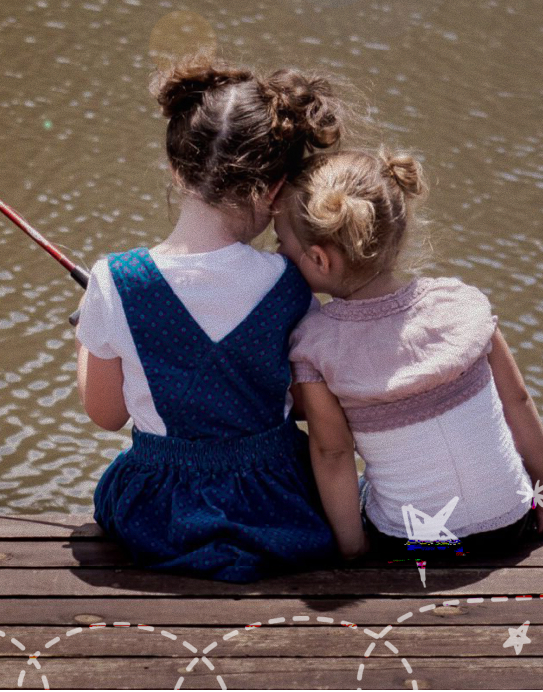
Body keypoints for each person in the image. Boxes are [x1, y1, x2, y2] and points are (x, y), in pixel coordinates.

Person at [74, 54, 353, 583]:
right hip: (277, 505)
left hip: (161, 513)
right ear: (273, 190)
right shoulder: (290, 283)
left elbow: (106, 415)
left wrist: (87, 332)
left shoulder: (115, 279)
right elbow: (300, 400)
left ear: (177, 169)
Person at [274, 149, 543, 559]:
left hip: (412, 542)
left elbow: (333, 453)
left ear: (319, 259)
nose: (277, 255)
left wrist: (352, 546)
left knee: (352, 491)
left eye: (281, 243)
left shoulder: (315, 345)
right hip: (511, 520)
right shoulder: (460, 302)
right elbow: (517, 399)